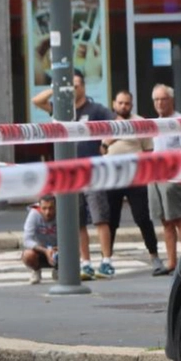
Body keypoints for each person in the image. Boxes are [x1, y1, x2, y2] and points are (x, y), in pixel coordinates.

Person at [31, 69, 114, 280]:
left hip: (92, 171)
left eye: (76, 85)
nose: (73, 89)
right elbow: (37, 101)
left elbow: (115, 126)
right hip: (70, 174)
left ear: (84, 86)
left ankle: (106, 262)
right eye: (70, 86)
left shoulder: (95, 109)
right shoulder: (62, 111)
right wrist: (56, 89)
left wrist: (104, 144)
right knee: (78, 221)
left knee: (100, 217)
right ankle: (85, 262)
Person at [101, 90, 165, 273]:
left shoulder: (140, 123)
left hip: (135, 178)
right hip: (113, 178)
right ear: (114, 104)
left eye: (127, 103)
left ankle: (154, 257)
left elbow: (148, 151)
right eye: (120, 103)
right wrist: (109, 142)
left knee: (143, 218)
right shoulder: (106, 124)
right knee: (110, 220)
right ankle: (107, 260)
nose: (123, 106)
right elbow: (100, 150)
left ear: (132, 105)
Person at [150, 84, 181, 276]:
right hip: (154, 175)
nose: (160, 103)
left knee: (178, 218)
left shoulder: (179, 121)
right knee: (164, 220)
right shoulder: (154, 122)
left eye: (163, 99)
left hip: (173, 175)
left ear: (171, 100)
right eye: (156, 100)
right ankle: (171, 262)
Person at [22, 195, 58, 284]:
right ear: (39, 207)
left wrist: (57, 248)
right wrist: (45, 251)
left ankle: (59, 269)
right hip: (41, 250)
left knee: (74, 251)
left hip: (58, 250)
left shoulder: (62, 214)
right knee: (28, 255)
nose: (47, 212)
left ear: (56, 207)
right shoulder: (34, 213)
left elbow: (72, 238)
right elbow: (26, 240)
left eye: (51, 208)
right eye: (44, 208)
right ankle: (36, 270)